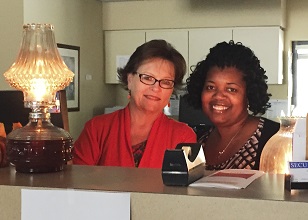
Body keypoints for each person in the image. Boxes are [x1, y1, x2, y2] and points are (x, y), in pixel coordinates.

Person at [73, 39, 197, 168]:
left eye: (166, 82)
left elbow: (183, 187)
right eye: (148, 78)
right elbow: (77, 180)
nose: (156, 88)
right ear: (130, 79)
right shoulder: (97, 129)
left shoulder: (183, 136)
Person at [186, 40, 280, 170]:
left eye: (231, 89)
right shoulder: (198, 140)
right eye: (210, 87)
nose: (218, 96)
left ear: (248, 94)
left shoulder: (274, 139)